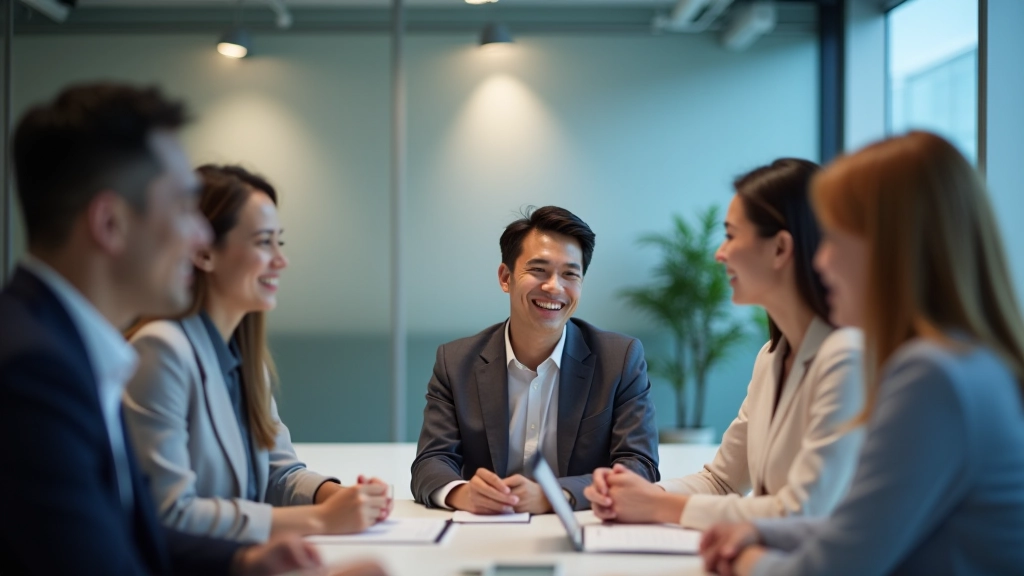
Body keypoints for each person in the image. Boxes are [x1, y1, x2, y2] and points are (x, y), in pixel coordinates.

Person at [0, 82, 384, 576]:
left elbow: (129, 533)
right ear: (111, 223)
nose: (200, 235)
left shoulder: (64, 350)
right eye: (183, 208)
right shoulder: (33, 372)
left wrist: (244, 563)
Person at [700, 132, 1024, 576]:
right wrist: (765, 533)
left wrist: (742, 559)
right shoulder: (961, 363)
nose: (820, 260)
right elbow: (864, 526)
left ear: (892, 247)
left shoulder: (930, 375)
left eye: (834, 238)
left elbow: (834, 568)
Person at [583, 159, 864, 531]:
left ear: (780, 248)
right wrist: (634, 493)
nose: (720, 253)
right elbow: (722, 482)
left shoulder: (847, 359)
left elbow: (804, 512)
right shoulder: (771, 359)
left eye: (731, 235)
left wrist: (659, 507)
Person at [123, 165, 391, 543]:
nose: (281, 261)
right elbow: (168, 512)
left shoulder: (245, 361)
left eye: (279, 243)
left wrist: (339, 497)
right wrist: (320, 520)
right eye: (264, 242)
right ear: (204, 253)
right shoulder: (161, 351)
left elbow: (276, 475)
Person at [410, 206, 659, 513]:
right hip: (484, 531)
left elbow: (640, 466)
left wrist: (553, 496)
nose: (554, 287)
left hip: (578, 529)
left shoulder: (619, 360)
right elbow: (431, 461)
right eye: (538, 270)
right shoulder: (456, 362)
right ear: (506, 277)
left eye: (570, 274)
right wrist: (463, 493)